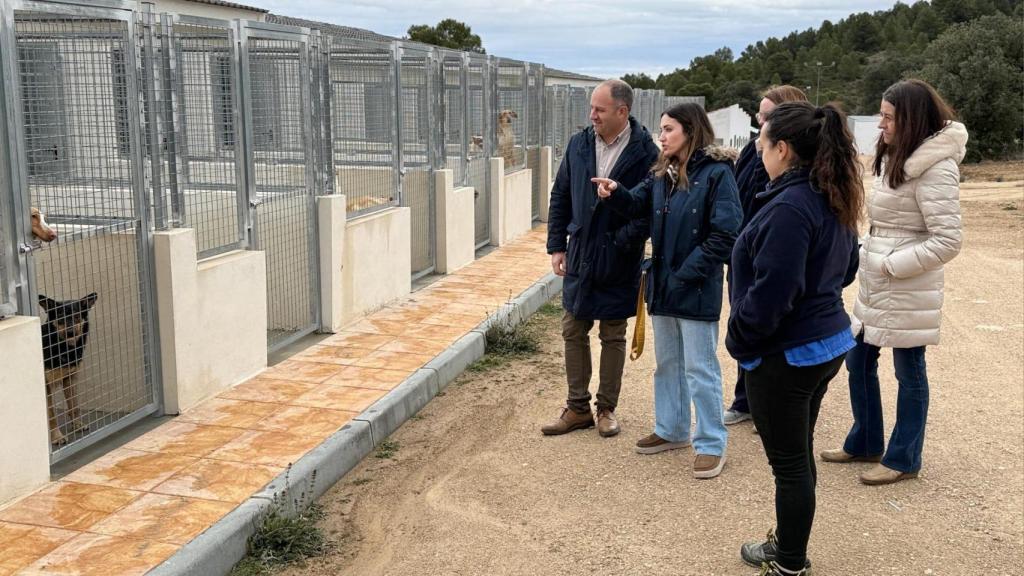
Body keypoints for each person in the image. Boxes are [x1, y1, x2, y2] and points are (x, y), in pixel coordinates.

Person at [726, 101, 863, 575]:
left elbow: (774, 292)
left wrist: (742, 336)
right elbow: (846, 269)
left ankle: (789, 562)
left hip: (788, 353)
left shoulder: (790, 206)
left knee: (789, 465)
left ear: (782, 149)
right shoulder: (830, 193)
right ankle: (788, 546)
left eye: (762, 145)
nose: (758, 153)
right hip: (824, 343)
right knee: (798, 456)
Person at [821, 80, 966, 486]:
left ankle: (904, 457)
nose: (881, 124)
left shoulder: (937, 167)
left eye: (888, 117)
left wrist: (892, 265)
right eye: (881, 115)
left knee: (909, 370)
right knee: (858, 360)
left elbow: (948, 240)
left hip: (904, 284)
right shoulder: (896, 155)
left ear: (912, 119)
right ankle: (866, 441)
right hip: (878, 280)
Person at [593, 103, 741, 479]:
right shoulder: (662, 172)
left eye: (669, 129)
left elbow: (726, 233)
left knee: (700, 368)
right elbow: (637, 203)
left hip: (694, 288)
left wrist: (687, 272)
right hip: (663, 285)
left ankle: (711, 444)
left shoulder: (718, 173)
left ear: (691, 131)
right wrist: (616, 191)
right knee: (668, 364)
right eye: (661, 129)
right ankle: (672, 429)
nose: (661, 136)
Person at [542, 79, 659, 437]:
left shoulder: (646, 152)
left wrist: (620, 241)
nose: (592, 115)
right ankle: (577, 407)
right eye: (592, 108)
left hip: (619, 257)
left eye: (600, 109)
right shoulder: (579, 144)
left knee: (613, 332)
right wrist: (557, 245)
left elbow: (649, 211)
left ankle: (606, 409)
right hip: (580, 252)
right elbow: (561, 194)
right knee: (572, 327)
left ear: (622, 111)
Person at [724, 85, 809, 427]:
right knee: (743, 323)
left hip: (768, 253)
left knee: (768, 326)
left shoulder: (793, 174)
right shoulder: (751, 150)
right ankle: (745, 400)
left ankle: (768, 407)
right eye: (759, 115)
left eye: (767, 116)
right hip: (743, 252)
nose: (760, 122)